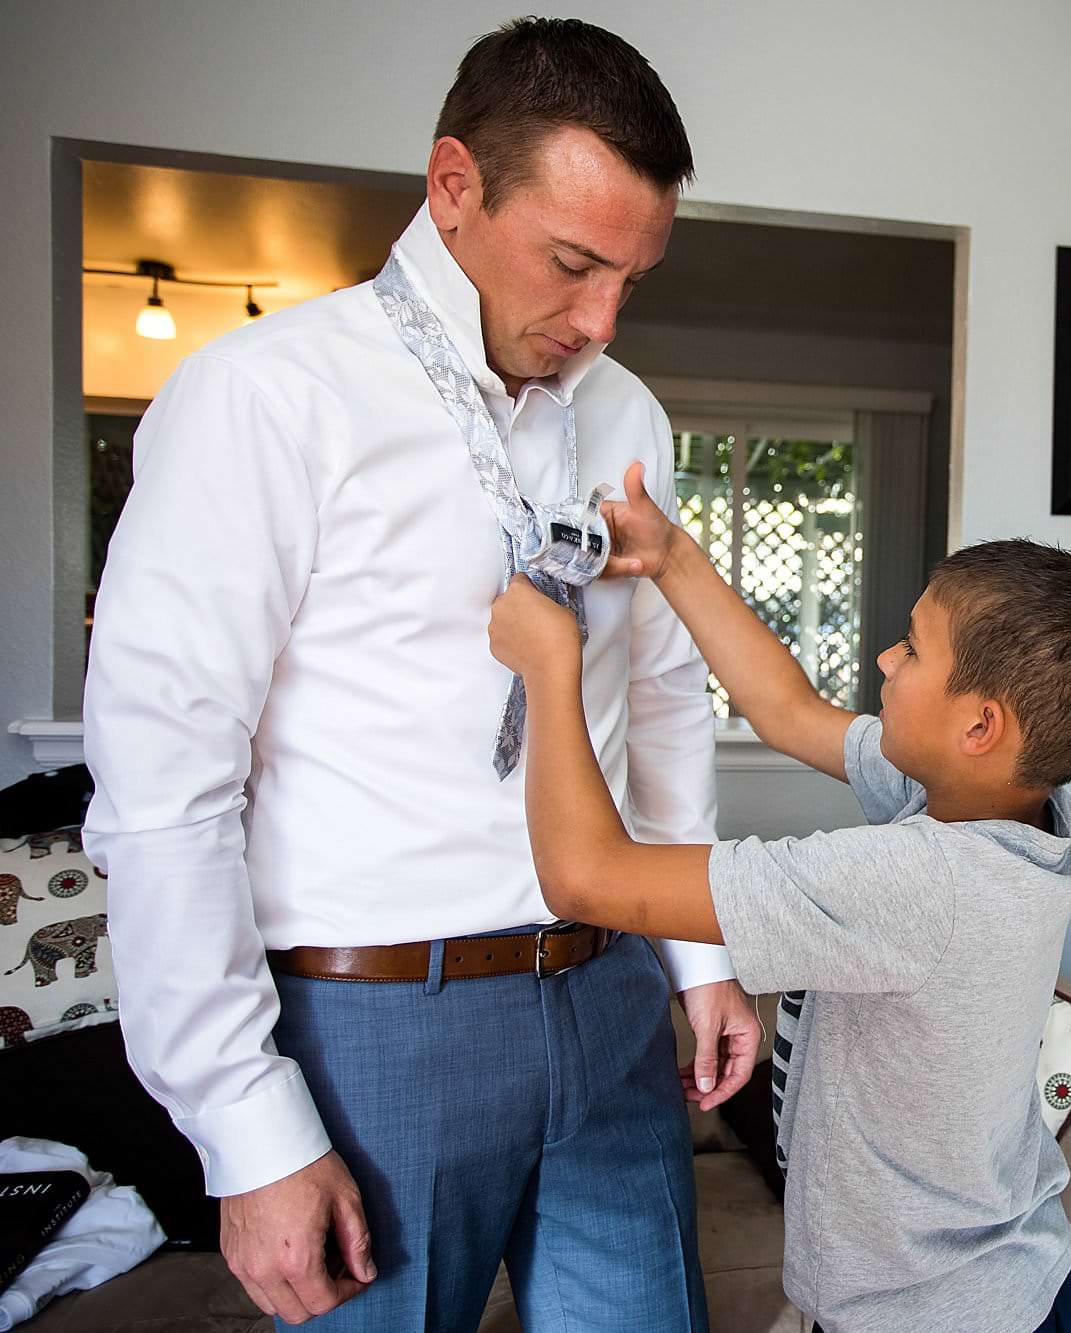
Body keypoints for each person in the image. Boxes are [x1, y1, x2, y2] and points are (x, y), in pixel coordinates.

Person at [81, 20, 760, 1330]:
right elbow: (168, 785)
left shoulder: (629, 418)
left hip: (611, 997)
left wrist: (699, 958)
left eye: (636, 274)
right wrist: (245, 1124)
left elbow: (664, 701)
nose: (601, 320)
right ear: (454, 185)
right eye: (572, 264)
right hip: (375, 1022)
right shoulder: (261, 399)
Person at [486, 464, 1071, 1333]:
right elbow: (785, 708)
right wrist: (672, 556)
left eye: (913, 648)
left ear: (981, 726)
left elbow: (585, 876)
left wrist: (550, 668)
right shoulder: (1021, 814)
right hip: (1004, 1289)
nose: (887, 656)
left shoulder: (917, 883)